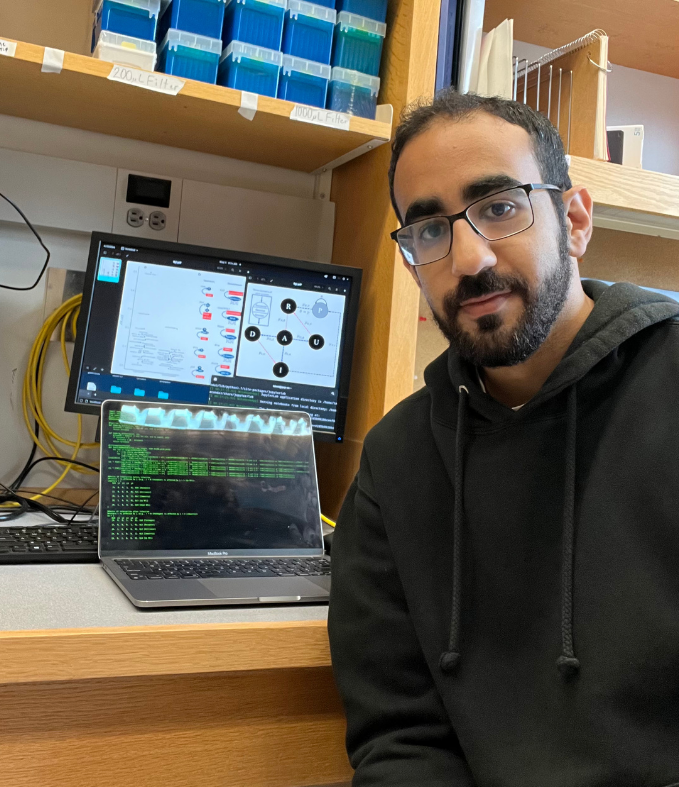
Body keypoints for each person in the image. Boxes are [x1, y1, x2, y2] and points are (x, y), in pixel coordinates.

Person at [327, 89, 679, 786]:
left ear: (573, 219)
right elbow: (401, 739)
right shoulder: (396, 463)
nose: (469, 258)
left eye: (498, 207)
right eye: (428, 229)